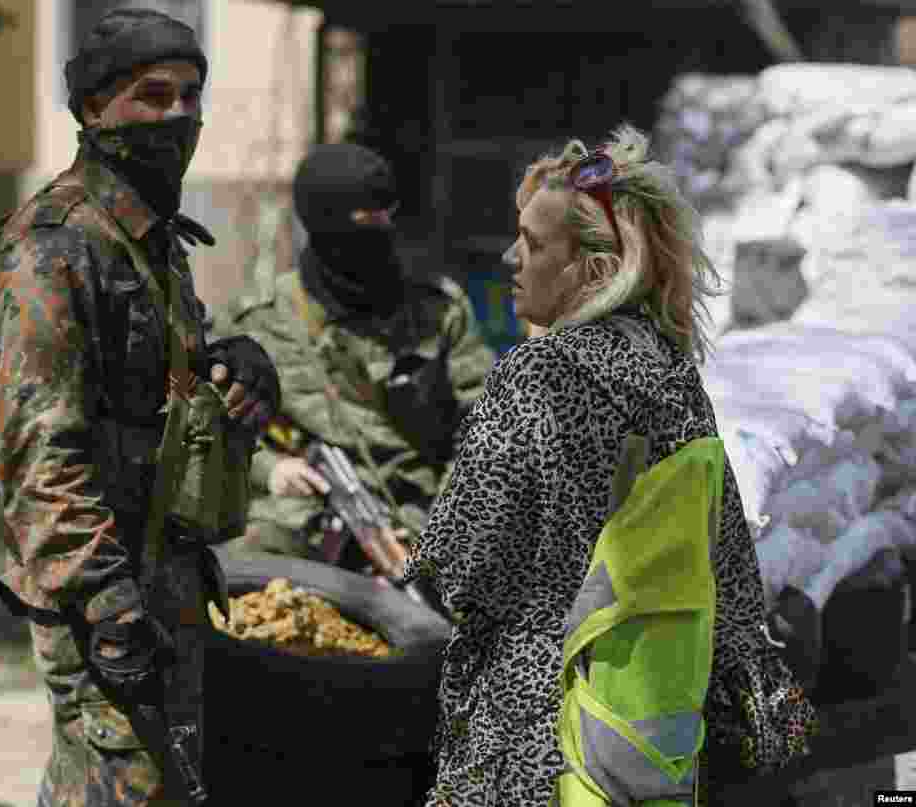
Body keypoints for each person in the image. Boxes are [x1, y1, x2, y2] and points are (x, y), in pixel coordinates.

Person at [402, 124, 819, 806]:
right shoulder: (674, 376)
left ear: (588, 267)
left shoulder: (536, 374)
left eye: (533, 244)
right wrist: (775, 726)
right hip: (645, 738)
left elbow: (459, 564)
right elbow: (733, 579)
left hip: (531, 735)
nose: (512, 256)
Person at [0, 8, 280, 806]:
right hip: (106, 600)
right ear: (93, 109)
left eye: (191, 97)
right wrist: (112, 611)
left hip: (166, 580)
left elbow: (159, 392)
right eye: (152, 97)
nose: (178, 117)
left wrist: (232, 368)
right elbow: (42, 456)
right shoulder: (56, 244)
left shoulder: (148, 237)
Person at [215, 143, 496, 568]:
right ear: (320, 225)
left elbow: (485, 427)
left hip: (417, 522)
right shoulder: (258, 320)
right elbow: (208, 421)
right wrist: (270, 469)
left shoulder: (439, 311)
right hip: (300, 523)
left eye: (386, 217)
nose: (378, 235)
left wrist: (448, 528)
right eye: (361, 225)